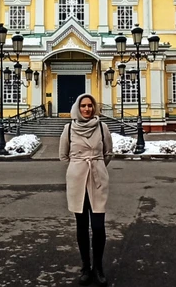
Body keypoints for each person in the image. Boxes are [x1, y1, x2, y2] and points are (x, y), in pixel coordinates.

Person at [59, 92, 114, 286]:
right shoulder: (68, 129)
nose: (87, 109)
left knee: (98, 226)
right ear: (77, 108)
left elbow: (108, 152)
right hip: (77, 181)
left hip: (97, 179)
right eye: (83, 106)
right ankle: (85, 267)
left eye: (90, 105)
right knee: (82, 227)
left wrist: (98, 167)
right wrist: (77, 168)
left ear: (94, 107)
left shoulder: (102, 127)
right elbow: (63, 155)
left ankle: (98, 267)